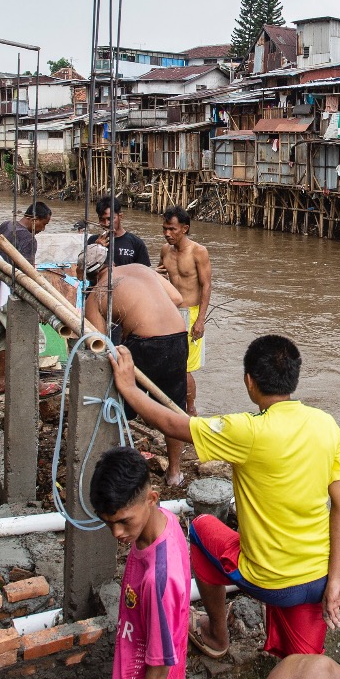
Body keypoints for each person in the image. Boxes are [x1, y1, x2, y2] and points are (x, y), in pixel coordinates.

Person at [111, 335, 340, 659]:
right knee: (303, 660)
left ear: (249, 382)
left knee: (200, 527)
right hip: (322, 576)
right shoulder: (327, 425)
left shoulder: (246, 431)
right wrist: (337, 580)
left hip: (272, 581)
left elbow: (171, 422)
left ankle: (216, 634)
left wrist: (128, 389)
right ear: (294, 378)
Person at [90, 446, 189, 679]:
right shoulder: (165, 524)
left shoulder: (158, 579)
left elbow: (158, 668)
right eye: (108, 523)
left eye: (122, 521)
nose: (117, 533)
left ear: (152, 498)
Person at [84, 245, 192, 488]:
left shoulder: (98, 293)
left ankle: (120, 465)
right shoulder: (141, 268)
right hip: (178, 336)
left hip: (146, 343)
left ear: (90, 275)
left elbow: (98, 345)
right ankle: (175, 473)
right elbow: (177, 298)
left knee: (118, 404)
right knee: (174, 406)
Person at [158, 207, 211, 413]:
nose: (167, 234)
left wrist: (200, 320)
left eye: (172, 229)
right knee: (167, 363)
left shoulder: (199, 252)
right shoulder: (165, 250)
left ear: (185, 229)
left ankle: (190, 410)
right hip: (169, 312)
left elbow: (206, 285)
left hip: (191, 313)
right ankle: (170, 404)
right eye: (164, 229)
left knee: (185, 367)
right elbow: (160, 275)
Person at [97, 195, 151, 267]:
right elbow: (81, 274)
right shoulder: (94, 242)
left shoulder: (136, 243)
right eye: (102, 220)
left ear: (121, 216)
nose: (106, 223)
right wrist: (96, 250)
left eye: (110, 219)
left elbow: (144, 273)